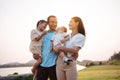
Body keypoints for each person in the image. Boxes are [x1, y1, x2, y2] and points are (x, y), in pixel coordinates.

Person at [36, 15, 58, 80]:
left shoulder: (58, 33)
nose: (54, 24)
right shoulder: (42, 33)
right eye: (52, 22)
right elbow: (36, 45)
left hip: (54, 65)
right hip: (42, 65)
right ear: (48, 23)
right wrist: (35, 54)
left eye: (55, 22)